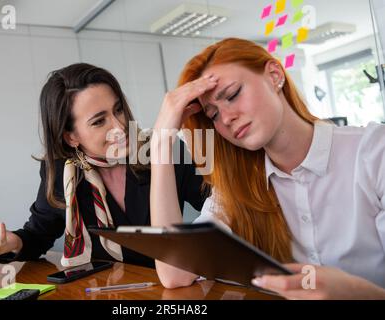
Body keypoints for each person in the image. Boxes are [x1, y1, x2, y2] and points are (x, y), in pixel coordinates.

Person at [150, 38, 385, 299]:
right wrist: (162, 142)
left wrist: (352, 291)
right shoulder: (235, 186)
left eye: (232, 94)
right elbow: (175, 273)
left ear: (274, 76)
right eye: (213, 114)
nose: (226, 118)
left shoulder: (374, 151)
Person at [0, 63, 208, 268]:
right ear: (71, 137)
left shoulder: (166, 149)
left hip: (174, 285)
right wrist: (11, 243)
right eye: (99, 121)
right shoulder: (61, 172)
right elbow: (38, 234)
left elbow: (219, 207)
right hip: (108, 289)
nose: (120, 127)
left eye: (118, 109)